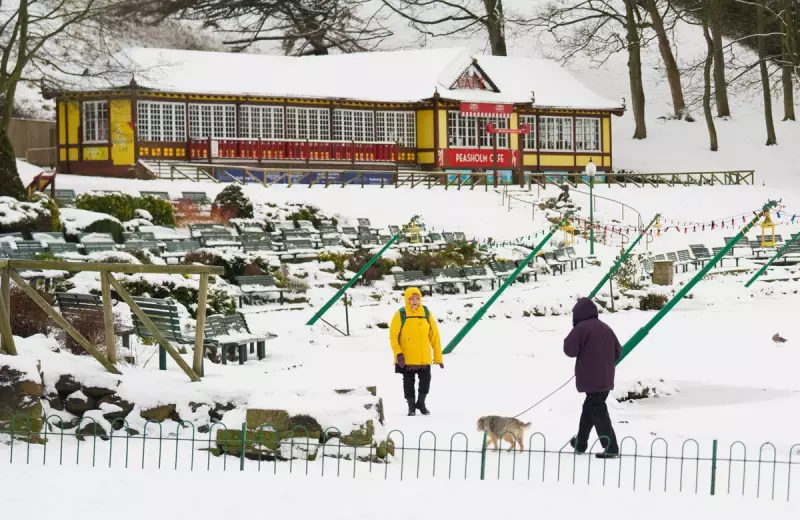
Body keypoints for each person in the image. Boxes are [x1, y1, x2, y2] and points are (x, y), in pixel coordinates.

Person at [563, 297, 621, 458]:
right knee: (589, 409)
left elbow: (569, 350)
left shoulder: (582, 328)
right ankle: (581, 444)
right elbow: (618, 351)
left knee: (598, 411)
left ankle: (610, 447)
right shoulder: (606, 327)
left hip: (592, 379)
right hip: (606, 378)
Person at [389, 287, 443, 416]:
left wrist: (438, 356)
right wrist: (398, 354)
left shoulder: (426, 312)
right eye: (412, 298)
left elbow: (434, 335)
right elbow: (393, 336)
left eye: (417, 298)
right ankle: (411, 406)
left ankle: (421, 403)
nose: (414, 301)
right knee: (408, 382)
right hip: (407, 357)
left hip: (424, 355)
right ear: (407, 299)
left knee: (426, 380)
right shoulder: (400, 314)